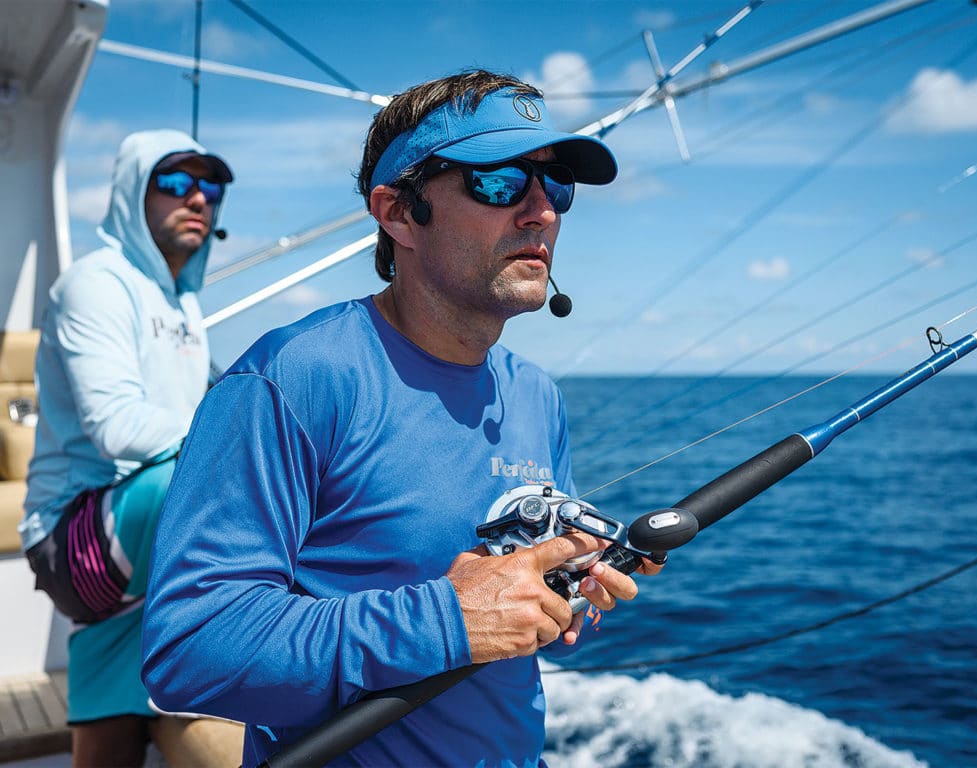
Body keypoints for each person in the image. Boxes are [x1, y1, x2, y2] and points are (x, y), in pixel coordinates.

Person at [141, 71, 662, 767]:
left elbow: (510, 616)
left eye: (556, 183)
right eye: (501, 182)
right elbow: (189, 648)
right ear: (397, 212)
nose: (541, 211)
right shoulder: (292, 379)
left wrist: (568, 589)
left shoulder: (537, 395)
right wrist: (447, 619)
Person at [20, 129, 244, 767]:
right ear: (130, 194)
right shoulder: (95, 284)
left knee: (115, 709)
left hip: (127, 535)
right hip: (72, 542)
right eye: (173, 181)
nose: (197, 197)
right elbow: (116, 428)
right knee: (221, 477)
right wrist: (243, 444)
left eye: (210, 184)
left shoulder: (183, 303)